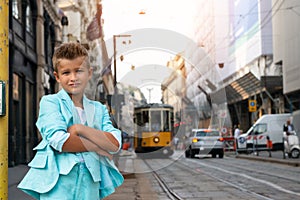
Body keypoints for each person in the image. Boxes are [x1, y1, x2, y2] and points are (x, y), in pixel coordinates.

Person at [18, 42, 123, 200]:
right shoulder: (51, 102)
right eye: (66, 72)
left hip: (90, 184)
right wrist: (98, 146)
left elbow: (114, 143)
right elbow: (59, 140)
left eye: (79, 71)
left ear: (89, 73)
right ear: (57, 77)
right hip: (59, 185)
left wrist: (80, 129)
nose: (73, 78)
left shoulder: (99, 109)